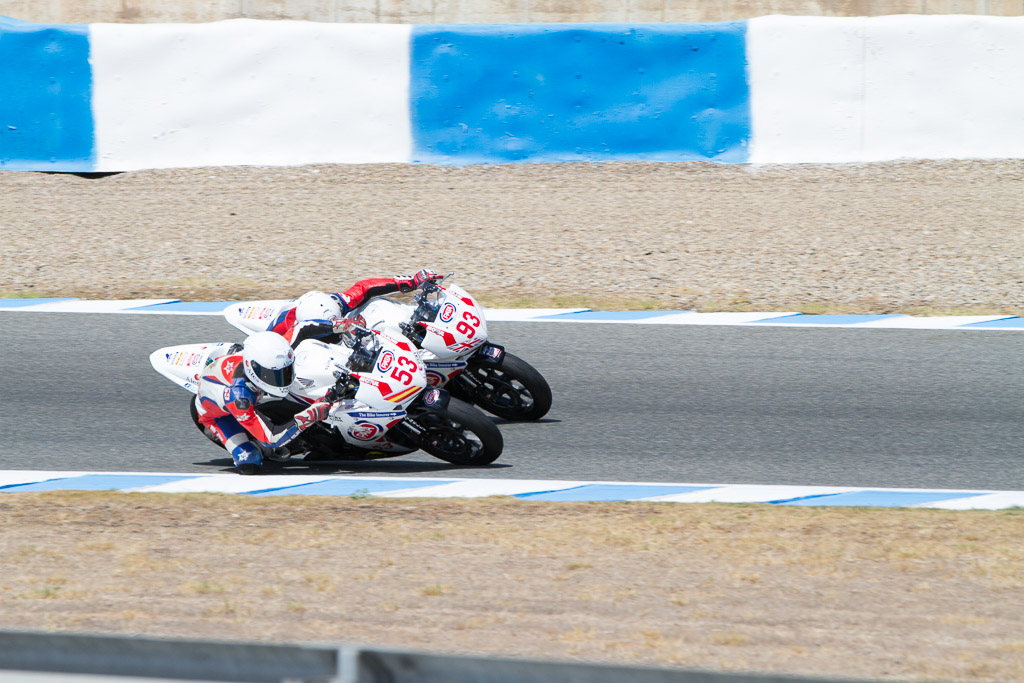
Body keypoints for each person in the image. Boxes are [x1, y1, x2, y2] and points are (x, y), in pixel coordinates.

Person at [192, 331, 333, 474]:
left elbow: (302, 329)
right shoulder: (239, 398)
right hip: (219, 416)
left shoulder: (270, 354)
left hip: (244, 386)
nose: (282, 380)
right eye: (274, 376)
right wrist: (310, 415)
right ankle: (254, 445)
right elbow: (271, 438)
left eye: (286, 372)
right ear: (254, 369)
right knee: (250, 463)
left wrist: (337, 326)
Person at [267, 269, 444, 347]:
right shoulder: (293, 332)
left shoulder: (335, 304)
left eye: (336, 320)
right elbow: (266, 343)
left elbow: (364, 287)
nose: (333, 328)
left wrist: (410, 283)